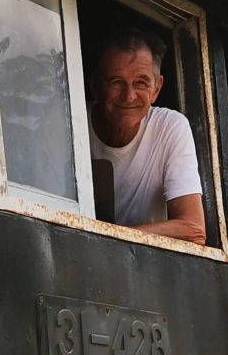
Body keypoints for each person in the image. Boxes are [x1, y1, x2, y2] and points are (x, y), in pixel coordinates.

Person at [88, 30, 207, 244]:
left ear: (156, 89)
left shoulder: (169, 127)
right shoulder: (70, 121)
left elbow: (193, 230)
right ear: (95, 86)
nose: (129, 96)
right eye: (116, 82)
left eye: (141, 83)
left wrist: (109, 239)